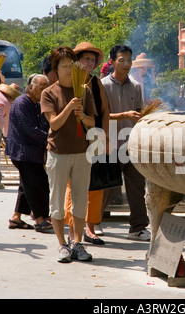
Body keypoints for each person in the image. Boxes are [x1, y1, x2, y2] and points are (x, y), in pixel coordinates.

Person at [41, 46, 96, 263]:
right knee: (56, 201)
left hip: (82, 153)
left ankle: (77, 242)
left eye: (70, 65)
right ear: (55, 69)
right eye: (64, 66)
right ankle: (62, 244)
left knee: (81, 201)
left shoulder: (84, 90)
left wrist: (82, 115)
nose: (67, 69)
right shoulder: (49, 92)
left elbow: (92, 122)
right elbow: (54, 123)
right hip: (58, 153)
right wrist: (69, 108)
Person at [101, 45, 150, 241]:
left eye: (129, 60)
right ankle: (94, 223)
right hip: (108, 143)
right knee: (105, 186)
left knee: (137, 187)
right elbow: (99, 116)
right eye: (122, 60)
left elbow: (138, 113)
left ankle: (138, 227)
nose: (127, 64)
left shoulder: (136, 86)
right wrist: (123, 115)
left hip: (131, 144)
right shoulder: (102, 86)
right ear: (112, 61)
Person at [63, 42, 109, 246]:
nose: (89, 63)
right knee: (73, 186)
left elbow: (105, 111)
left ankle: (90, 228)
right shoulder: (66, 80)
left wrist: (105, 136)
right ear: (77, 60)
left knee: (95, 185)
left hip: (93, 135)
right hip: (72, 139)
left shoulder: (96, 82)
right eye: (85, 59)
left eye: (92, 60)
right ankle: (72, 230)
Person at [5, 74, 52, 233]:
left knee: (26, 185)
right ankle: (39, 219)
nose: (45, 91)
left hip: (33, 152)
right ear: (30, 88)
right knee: (36, 185)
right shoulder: (21, 103)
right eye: (41, 88)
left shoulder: (37, 104)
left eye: (47, 88)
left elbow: (45, 124)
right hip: (23, 152)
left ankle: (16, 218)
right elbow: (30, 129)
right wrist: (51, 138)